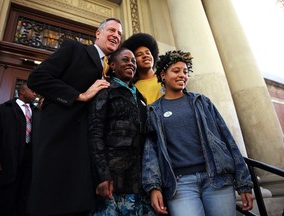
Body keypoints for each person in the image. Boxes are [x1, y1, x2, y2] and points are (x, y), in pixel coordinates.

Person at [26, 18, 123, 216]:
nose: (116, 35)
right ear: (98, 33)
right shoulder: (75, 49)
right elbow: (38, 78)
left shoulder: (111, 71)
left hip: (85, 152)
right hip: (60, 143)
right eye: (112, 30)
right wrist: (79, 96)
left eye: (120, 34)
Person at [142, 50, 254, 216]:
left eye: (185, 72)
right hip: (180, 185)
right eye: (176, 71)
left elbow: (227, 139)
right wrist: (154, 186)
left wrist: (244, 182)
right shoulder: (153, 111)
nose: (182, 75)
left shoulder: (202, 102)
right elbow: (150, 153)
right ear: (163, 75)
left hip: (217, 180)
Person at [88, 47, 156, 215]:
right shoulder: (105, 90)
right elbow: (95, 133)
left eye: (133, 61)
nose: (131, 64)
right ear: (112, 65)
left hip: (139, 178)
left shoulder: (140, 97)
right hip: (113, 179)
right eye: (125, 60)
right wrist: (102, 175)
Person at [0, 83, 37, 216]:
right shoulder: (3, 110)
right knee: (7, 194)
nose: (35, 93)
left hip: (29, 158)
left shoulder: (36, 112)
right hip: (10, 157)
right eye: (32, 90)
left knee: (25, 192)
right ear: (22, 91)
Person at [121, 33, 164, 104]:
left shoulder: (166, 79)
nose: (145, 56)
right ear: (133, 62)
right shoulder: (133, 90)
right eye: (139, 55)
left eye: (148, 53)